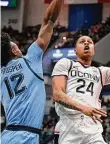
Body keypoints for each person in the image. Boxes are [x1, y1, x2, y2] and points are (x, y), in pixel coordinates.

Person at [1, 0, 62, 143]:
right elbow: (49, 20)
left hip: (7, 136)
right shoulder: (30, 60)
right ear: (14, 50)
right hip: (25, 136)